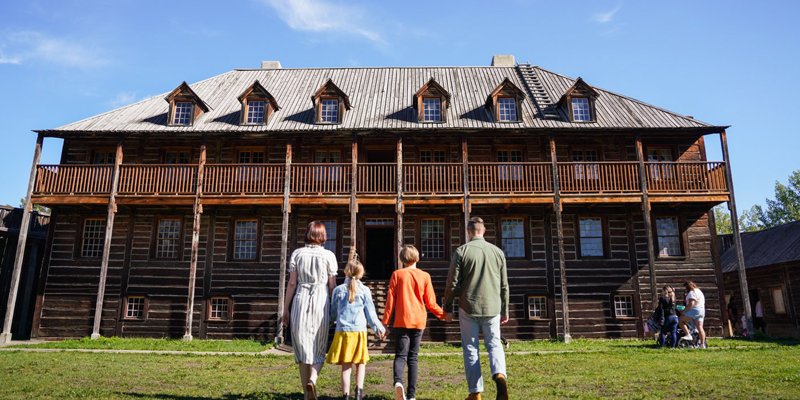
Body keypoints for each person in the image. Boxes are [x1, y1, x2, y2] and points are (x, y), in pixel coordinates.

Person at [443, 217, 509, 400]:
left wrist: (447, 306)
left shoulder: (462, 251)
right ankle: (500, 374)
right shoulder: (497, 252)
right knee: (494, 343)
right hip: (493, 306)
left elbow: (452, 283)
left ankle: (475, 392)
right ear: (484, 231)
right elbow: (504, 284)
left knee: (471, 348)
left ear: (468, 231)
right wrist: (505, 309)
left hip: (468, 306)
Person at [281, 221, 339, 400]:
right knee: (318, 345)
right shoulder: (329, 255)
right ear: (322, 236)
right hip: (321, 300)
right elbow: (332, 286)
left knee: (302, 346)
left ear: (308, 233)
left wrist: (285, 309)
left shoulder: (297, 254)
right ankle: (312, 381)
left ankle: (307, 394)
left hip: (300, 298)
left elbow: (292, 283)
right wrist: (335, 309)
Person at [381, 245, 446, 400]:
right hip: (418, 321)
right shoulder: (425, 276)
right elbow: (430, 302)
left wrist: (384, 323)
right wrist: (443, 315)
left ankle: (398, 382)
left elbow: (390, 302)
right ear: (417, 258)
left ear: (402, 259)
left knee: (401, 355)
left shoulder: (397, 274)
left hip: (401, 320)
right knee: (413, 358)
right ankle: (411, 396)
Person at [326, 259, 386, 400]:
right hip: (359, 332)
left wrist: (325, 325)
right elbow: (371, 315)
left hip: (343, 332)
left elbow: (333, 313)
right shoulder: (365, 291)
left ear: (346, 271)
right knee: (360, 363)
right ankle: (359, 394)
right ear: (361, 273)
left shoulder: (337, 290)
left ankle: (345, 396)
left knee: (346, 366)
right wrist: (379, 329)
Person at [679, 280, 706, 349]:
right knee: (700, 328)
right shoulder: (699, 291)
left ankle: (688, 335)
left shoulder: (692, 292)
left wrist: (684, 311)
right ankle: (702, 345)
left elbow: (691, 304)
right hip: (701, 310)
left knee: (680, 320)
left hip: (695, 310)